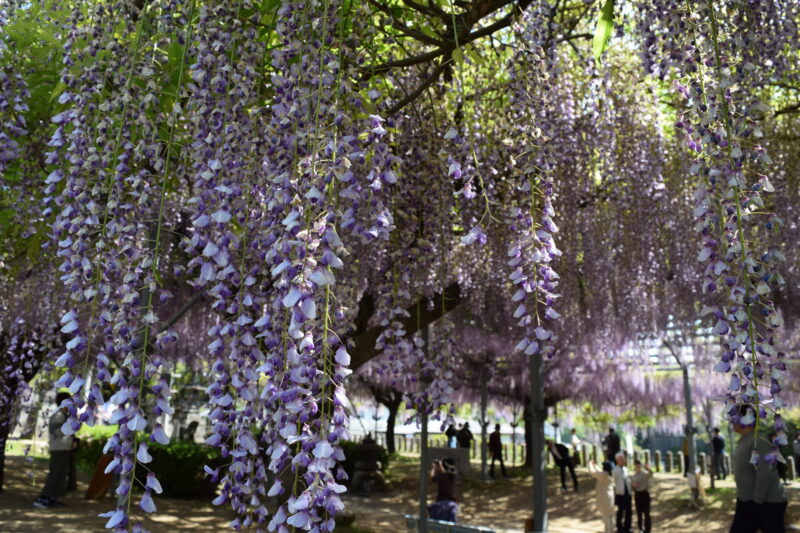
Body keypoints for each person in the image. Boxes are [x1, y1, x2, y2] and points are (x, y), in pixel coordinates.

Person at [730, 405, 786, 533]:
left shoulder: (758, 440)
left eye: (734, 417)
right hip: (748, 502)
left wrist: (757, 502)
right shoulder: (746, 439)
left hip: (766, 503)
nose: (731, 421)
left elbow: (764, 472)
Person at [34, 392, 76, 508]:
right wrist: (72, 423)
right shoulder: (57, 416)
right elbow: (58, 432)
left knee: (61, 475)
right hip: (58, 449)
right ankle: (42, 498)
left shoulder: (65, 416)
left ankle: (53, 498)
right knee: (55, 474)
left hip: (64, 449)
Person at [588, 460, 616, 533]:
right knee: (610, 516)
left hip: (604, 498)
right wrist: (595, 465)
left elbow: (592, 472)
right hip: (611, 497)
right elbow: (599, 471)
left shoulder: (603, 475)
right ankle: (611, 530)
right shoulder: (611, 474)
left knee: (606, 516)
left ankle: (608, 531)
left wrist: (590, 464)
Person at [428, 457, 458, 522]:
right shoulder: (451, 476)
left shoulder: (445, 477)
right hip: (450, 505)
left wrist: (434, 468)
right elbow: (433, 478)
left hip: (441, 504)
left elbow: (432, 478)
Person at [612, 451, 633, 533]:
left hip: (627, 492)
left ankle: (628, 527)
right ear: (617, 460)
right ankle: (619, 528)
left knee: (629, 511)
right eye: (621, 459)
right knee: (620, 511)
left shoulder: (625, 469)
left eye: (623, 458)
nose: (623, 460)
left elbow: (628, 479)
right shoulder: (615, 469)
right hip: (620, 493)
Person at [631, 459, 653, 533]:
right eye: (636, 465)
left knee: (647, 513)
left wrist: (648, 468)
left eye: (639, 465)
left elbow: (651, 474)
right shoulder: (633, 476)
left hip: (644, 494)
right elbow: (632, 487)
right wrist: (633, 486)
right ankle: (641, 528)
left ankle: (648, 529)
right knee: (639, 513)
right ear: (634, 466)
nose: (638, 467)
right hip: (637, 494)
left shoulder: (644, 473)